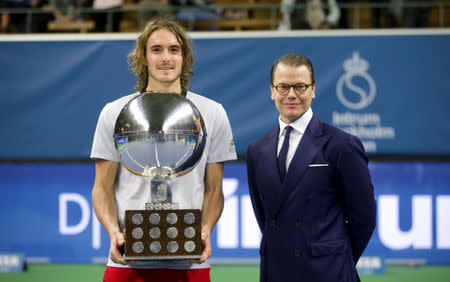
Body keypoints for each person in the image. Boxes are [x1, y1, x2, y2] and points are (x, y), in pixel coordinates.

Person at [91, 16, 237, 281]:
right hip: (128, 261)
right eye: (156, 49)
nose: (165, 57)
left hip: (189, 262)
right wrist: (114, 232)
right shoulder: (113, 113)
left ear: (184, 58)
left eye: (174, 49)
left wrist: (205, 229)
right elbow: (102, 187)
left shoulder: (213, 113)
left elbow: (214, 189)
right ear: (144, 58)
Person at [246, 53, 376, 282]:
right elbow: (266, 218)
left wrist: (336, 258)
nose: (292, 95)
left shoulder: (342, 145)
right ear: (272, 91)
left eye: (300, 86)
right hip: (276, 271)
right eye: (283, 87)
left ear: (313, 89)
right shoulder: (257, 150)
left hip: (328, 272)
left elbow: (363, 218)